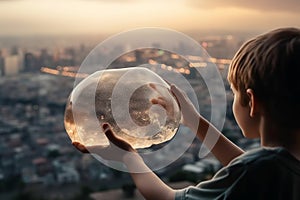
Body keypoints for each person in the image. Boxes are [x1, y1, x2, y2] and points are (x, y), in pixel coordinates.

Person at [73, 27, 300, 199]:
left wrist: (128, 157)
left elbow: (167, 197)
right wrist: (192, 120)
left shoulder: (257, 168)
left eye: (234, 95)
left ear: (251, 102)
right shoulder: (281, 166)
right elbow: (248, 166)